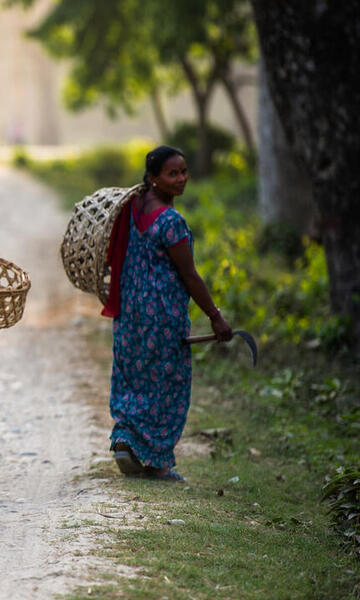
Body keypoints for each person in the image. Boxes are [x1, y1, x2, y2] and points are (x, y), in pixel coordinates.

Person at [102, 145, 232, 481]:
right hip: (162, 316)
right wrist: (215, 316)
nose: (181, 179)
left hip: (130, 312)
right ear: (152, 178)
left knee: (133, 377)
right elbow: (189, 275)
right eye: (172, 173)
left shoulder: (131, 208)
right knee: (167, 385)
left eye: (184, 171)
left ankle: (125, 441)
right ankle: (158, 463)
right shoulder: (171, 222)